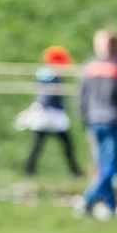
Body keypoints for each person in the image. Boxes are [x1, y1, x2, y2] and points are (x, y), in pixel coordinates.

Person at [76, 29, 117, 219]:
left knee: (102, 163)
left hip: (93, 121)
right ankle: (87, 198)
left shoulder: (88, 67)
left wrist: (84, 118)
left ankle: (110, 205)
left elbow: (81, 97)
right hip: (116, 121)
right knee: (112, 165)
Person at [18, 46, 81, 176]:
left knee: (44, 143)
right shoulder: (49, 73)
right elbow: (47, 93)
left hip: (52, 113)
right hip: (49, 113)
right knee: (51, 143)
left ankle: (30, 169)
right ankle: (30, 169)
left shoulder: (47, 72)